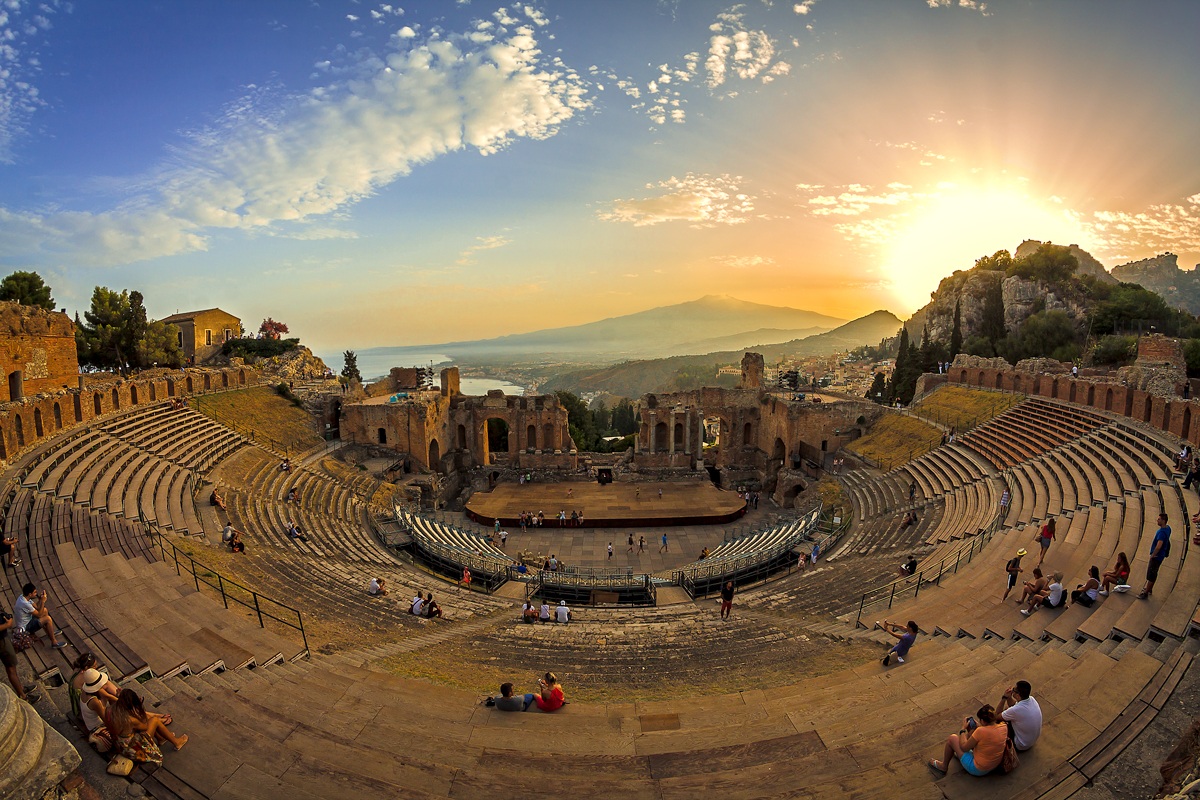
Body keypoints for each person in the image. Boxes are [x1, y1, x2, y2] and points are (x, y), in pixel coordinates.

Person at [108, 688, 188, 760]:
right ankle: (177, 742)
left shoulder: (110, 710)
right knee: (154, 720)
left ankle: (161, 739)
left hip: (121, 745)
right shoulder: (130, 720)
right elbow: (145, 726)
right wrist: (139, 709)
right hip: (134, 750)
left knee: (150, 719)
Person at [929, 704, 1008, 776]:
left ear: (983, 721)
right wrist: (979, 728)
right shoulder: (1004, 726)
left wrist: (962, 730)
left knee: (952, 738)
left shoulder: (981, 731)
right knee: (971, 736)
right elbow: (990, 735)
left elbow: (964, 748)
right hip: (994, 764)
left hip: (979, 769)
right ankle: (958, 753)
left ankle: (943, 766)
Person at [1, 606, 37, 703]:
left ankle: (21, 688)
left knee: (12, 667)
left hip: (3, 638)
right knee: (11, 668)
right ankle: (23, 697)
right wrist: (7, 624)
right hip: (1, 642)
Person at [14, 583, 66, 648]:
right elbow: (39, 615)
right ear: (30, 594)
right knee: (48, 619)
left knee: (45, 610)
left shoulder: (23, 597)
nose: (36, 594)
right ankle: (54, 642)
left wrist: (41, 599)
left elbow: (37, 607)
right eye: (35, 592)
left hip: (28, 620)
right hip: (25, 628)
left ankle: (50, 632)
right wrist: (43, 601)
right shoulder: (25, 604)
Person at [997, 680, 1042, 752]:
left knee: (997, 722)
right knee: (1008, 711)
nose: (1012, 691)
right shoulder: (1031, 699)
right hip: (1030, 740)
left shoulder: (1016, 710)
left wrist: (1004, 698)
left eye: (1014, 690)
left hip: (1021, 745)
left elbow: (997, 716)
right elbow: (1014, 705)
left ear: (1018, 695)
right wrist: (1009, 697)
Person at [1139, 513, 1171, 599]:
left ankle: (1145, 593)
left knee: (1151, 575)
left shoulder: (1161, 533)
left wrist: (1153, 555)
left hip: (1157, 557)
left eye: (1159, 519)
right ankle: (1149, 589)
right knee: (1154, 573)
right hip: (1161, 555)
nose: (1157, 520)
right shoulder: (1168, 528)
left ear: (1163, 521)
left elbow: (1159, 546)